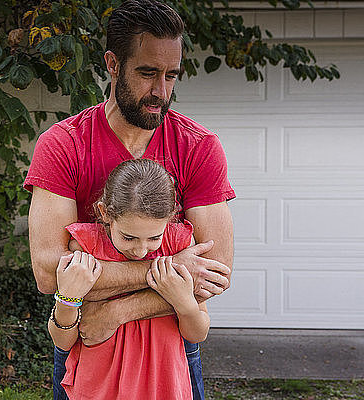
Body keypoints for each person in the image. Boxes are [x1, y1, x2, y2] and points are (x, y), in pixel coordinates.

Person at [24, 1, 235, 399]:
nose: (161, 91)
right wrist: (169, 270)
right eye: (147, 73)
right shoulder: (63, 145)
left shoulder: (198, 147)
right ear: (113, 64)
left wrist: (116, 310)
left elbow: (215, 271)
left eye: (171, 76)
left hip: (168, 350)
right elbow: (49, 273)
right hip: (88, 348)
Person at [48, 159, 210, 399]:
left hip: (162, 383)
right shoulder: (86, 246)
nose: (141, 251)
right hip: (100, 386)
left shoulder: (179, 244)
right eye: (129, 237)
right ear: (105, 214)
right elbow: (63, 340)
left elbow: (197, 334)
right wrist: (67, 299)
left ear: (171, 218)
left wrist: (184, 303)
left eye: (154, 238)